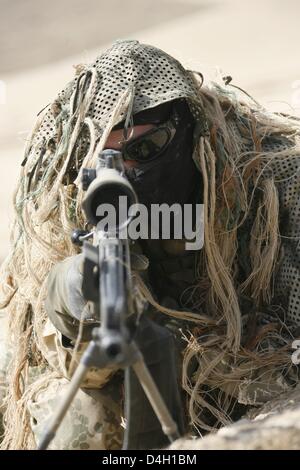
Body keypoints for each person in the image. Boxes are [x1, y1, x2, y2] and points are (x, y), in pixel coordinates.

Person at [0, 39, 299, 450]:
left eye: (147, 148)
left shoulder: (272, 182)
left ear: (190, 132)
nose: (130, 171)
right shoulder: (68, 202)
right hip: (135, 379)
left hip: (252, 373)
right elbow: (50, 360)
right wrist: (75, 308)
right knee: (69, 414)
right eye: (108, 160)